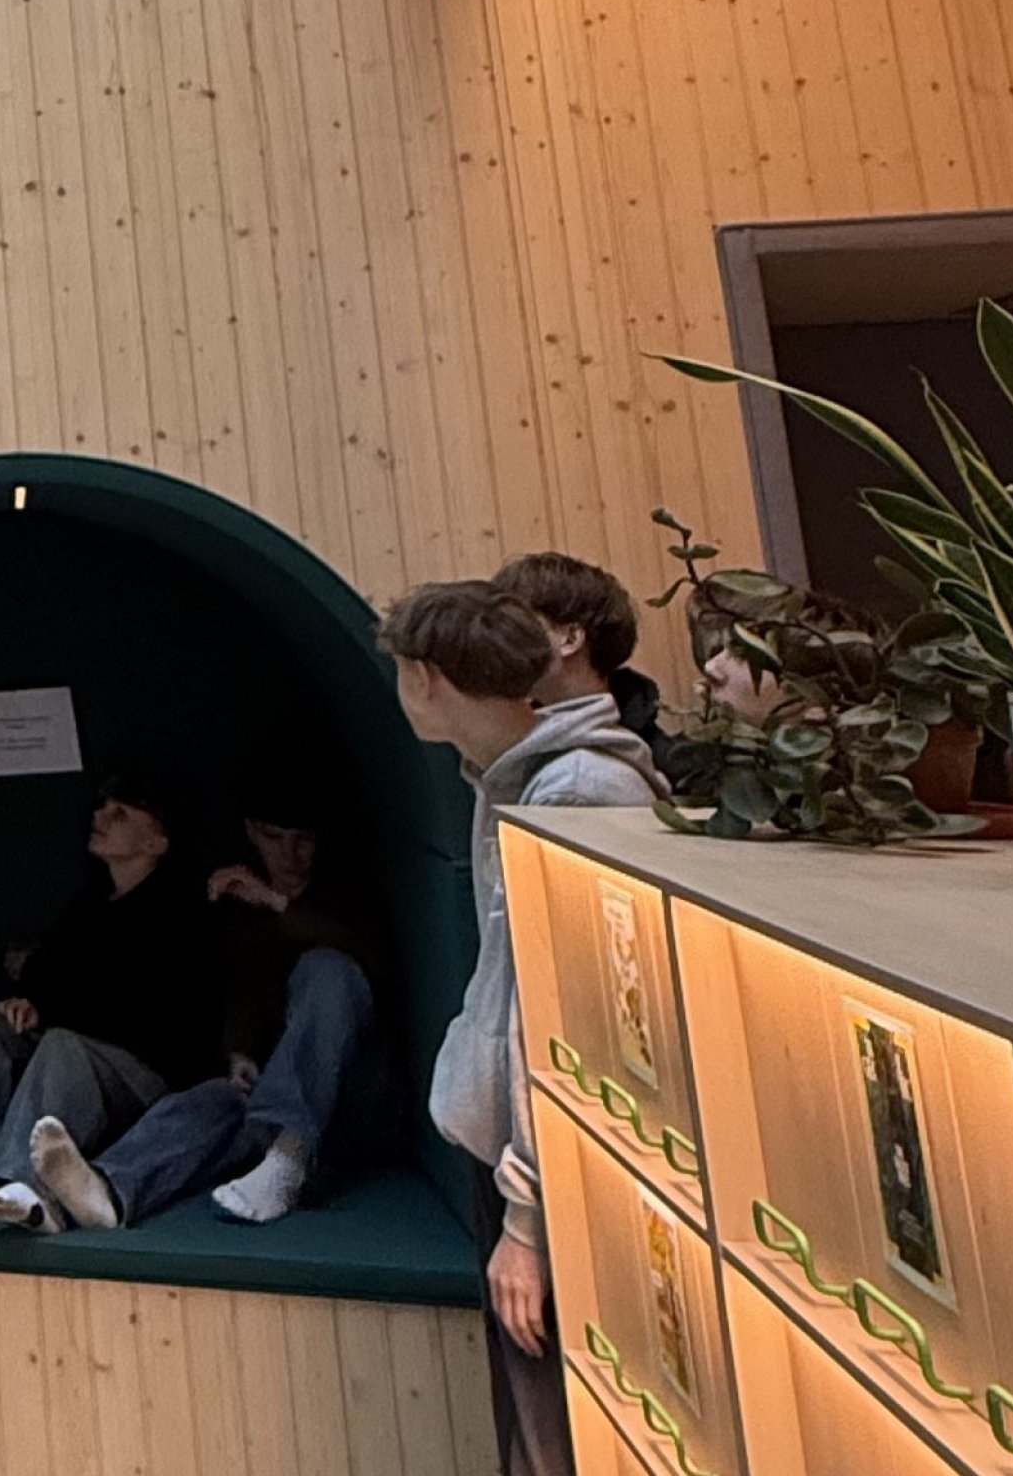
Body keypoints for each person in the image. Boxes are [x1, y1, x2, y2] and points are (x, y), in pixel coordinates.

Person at [385, 577, 664, 1476]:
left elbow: (558, 1014)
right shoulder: (509, 779)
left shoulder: (576, 792)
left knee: (560, 1438)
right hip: (509, 1149)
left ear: (426, 677)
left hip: (547, 1170)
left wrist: (528, 1218)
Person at [23, 788, 389, 1232]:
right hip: (265, 1104)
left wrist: (278, 902)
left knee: (327, 969)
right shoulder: (237, 906)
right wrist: (240, 1053)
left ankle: (288, 1157)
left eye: (303, 839)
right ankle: (108, 1191)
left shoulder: (345, 895)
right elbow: (244, 991)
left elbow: (372, 962)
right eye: (275, 837)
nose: (290, 853)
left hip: (344, 1102)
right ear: (252, 833)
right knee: (214, 1098)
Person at [0, 777, 218, 1233]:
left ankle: (24, 1184)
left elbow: (149, 1015)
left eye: (120, 815)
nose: (100, 818)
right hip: (67, 1058)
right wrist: (25, 1005)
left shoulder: (179, 912)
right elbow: (47, 976)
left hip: (138, 1076)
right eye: (102, 808)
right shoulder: (92, 903)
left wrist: (53, 1013)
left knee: (62, 1043)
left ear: (156, 842)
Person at [497, 551, 675, 770]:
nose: (501, 641)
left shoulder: (662, 761)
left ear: (570, 638)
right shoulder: (512, 736)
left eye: (518, 625)